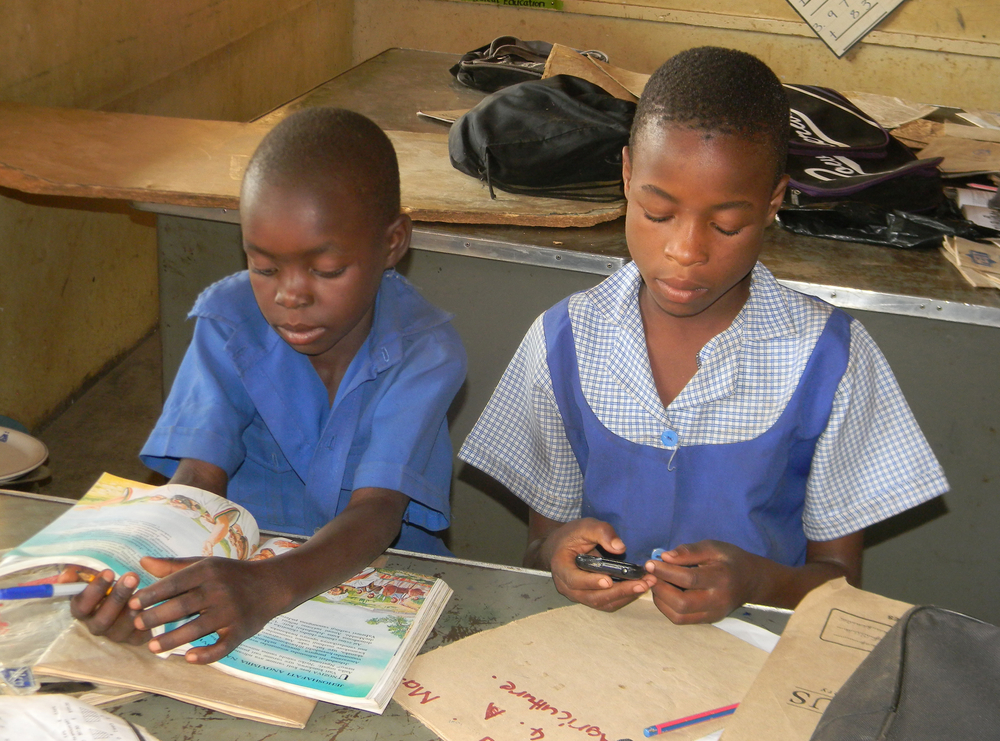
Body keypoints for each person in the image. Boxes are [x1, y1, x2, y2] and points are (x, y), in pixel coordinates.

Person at [458, 47, 948, 624]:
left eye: (726, 225)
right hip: (600, 661)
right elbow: (542, 549)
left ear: (772, 202)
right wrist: (561, 559)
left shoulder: (828, 359)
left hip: (756, 668)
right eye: (658, 214)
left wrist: (760, 580)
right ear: (626, 176)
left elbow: (840, 585)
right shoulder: (565, 342)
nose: (685, 252)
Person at [71, 107, 467, 661]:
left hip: (378, 589)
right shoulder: (229, 323)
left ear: (393, 242)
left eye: (326, 271)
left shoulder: (425, 351)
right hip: (236, 584)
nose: (291, 296)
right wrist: (143, 583)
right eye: (264, 268)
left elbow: (377, 511)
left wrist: (267, 587)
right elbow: (197, 479)